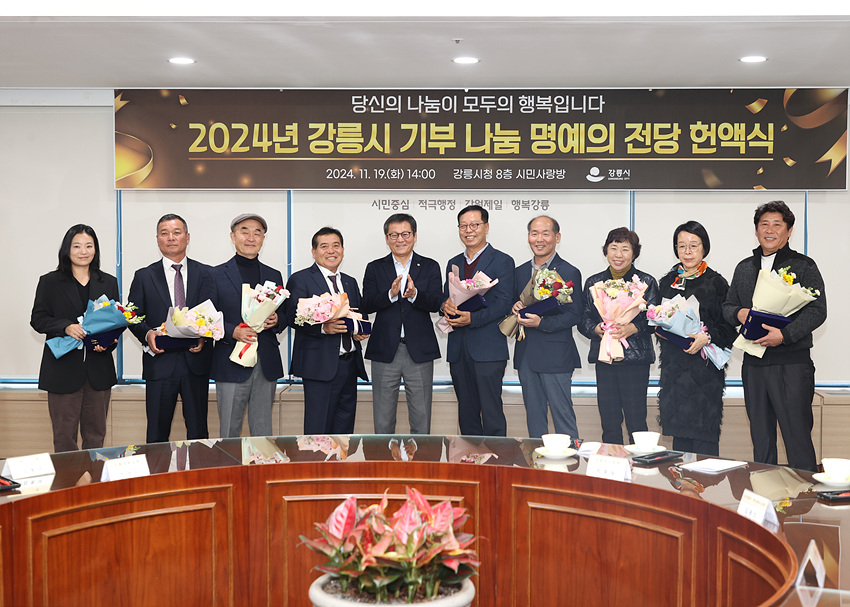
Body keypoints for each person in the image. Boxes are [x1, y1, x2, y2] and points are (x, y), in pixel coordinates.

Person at [722, 201, 826, 471]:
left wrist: (785, 334)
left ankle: (805, 498)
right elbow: (728, 306)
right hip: (754, 364)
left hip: (791, 365)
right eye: (764, 224)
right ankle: (763, 495)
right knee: (761, 440)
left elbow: (818, 310)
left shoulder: (804, 265)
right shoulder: (744, 267)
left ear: (789, 231)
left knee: (797, 439)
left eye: (777, 224)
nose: (769, 230)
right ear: (756, 230)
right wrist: (738, 313)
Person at [30, 224, 119, 452]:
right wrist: (65, 327)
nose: (83, 251)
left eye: (89, 246)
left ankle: (93, 476)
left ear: (95, 249)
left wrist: (108, 343)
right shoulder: (50, 282)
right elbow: (38, 319)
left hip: (98, 371)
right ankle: (68, 476)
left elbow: (116, 321)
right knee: (64, 438)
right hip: (62, 371)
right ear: (67, 249)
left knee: (96, 437)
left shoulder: (108, 282)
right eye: (77, 246)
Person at [127, 214, 214, 443]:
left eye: (176, 232)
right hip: (160, 363)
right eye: (164, 233)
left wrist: (205, 336)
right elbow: (132, 316)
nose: (171, 238)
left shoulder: (206, 273)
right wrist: (148, 334)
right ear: (157, 239)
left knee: (198, 434)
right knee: (156, 435)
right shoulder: (144, 276)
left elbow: (213, 312)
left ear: (187, 237)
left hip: (196, 363)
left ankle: (198, 469)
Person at [656, 221, 736, 456]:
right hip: (675, 371)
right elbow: (657, 322)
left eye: (693, 245)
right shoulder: (667, 282)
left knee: (704, 442)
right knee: (679, 446)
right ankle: (680, 481)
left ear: (704, 247)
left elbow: (729, 328)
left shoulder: (717, 283)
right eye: (681, 246)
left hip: (705, 373)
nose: (687, 251)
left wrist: (706, 337)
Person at [361, 213, 442, 434]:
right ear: (387, 239)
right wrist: (390, 294)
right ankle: (384, 458)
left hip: (419, 351)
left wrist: (415, 295)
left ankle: (421, 458)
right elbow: (366, 304)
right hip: (385, 350)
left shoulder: (430, 266)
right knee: (383, 421)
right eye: (394, 235)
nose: (400, 239)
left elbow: (437, 302)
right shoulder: (375, 267)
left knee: (421, 420)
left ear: (414, 236)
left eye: (405, 234)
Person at [578, 227, 660, 445]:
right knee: (609, 421)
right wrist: (596, 328)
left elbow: (655, 317)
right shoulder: (594, 283)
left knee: (636, 421)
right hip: (605, 359)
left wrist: (634, 327)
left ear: (634, 253)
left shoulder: (646, 282)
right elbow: (583, 318)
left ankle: (639, 465)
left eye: (625, 249)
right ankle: (611, 464)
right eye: (614, 248)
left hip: (635, 360)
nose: (618, 254)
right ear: (606, 250)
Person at [285, 227, 368, 434]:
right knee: (318, 430)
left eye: (336, 246)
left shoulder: (349, 281)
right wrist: (323, 328)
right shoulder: (301, 279)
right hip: (319, 366)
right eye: (324, 246)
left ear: (343, 250)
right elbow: (291, 316)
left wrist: (358, 331)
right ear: (314, 252)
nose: (331, 251)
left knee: (344, 430)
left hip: (349, 365)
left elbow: (357, 314)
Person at [441, 204, 515, 436]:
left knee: (492, 414)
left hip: (488, 350)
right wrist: (445, 305)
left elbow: (504, 303)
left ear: (486, 227)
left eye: (474, 225)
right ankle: (468, 458)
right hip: (458, 350)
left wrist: (472, 318)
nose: (468, 230)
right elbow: (446, 297)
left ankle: (496, 460)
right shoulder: (453, 262)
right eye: (463, 226)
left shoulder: (502, 261)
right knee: (467, 414)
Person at [210, 214, 285, 437]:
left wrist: (277, 320)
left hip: (265, 362)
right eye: (245, 231)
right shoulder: (214, 274)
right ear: (233, 237)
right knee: (229, 433)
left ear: (263, 238)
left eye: (257, 232)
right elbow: (207, 317)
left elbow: (285, 312)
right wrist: (232, 331)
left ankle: (262, 463)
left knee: (263, 432)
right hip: (231, 361)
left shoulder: (274, 274)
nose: (251, 237)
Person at [511, 216, 584, 439]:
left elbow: (575, 315)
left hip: (556, 355)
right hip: (526, 355)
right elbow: (513, 304)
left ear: (557, 237)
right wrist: (514, 307)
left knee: (564, 418)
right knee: (534, 420)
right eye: (534, 233)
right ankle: (537, 460)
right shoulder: (519, 272)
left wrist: (541, 323)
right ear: (528, 237)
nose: (539, 239)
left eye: (545, 233)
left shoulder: (569, 271)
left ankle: (572, 460)